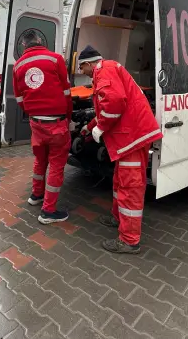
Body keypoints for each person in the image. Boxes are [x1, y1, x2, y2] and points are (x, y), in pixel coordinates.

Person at [77, 45, 163, 254]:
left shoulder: (103, 70)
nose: (81, 72)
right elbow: (106, 109)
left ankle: (129, 241)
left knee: (129, 187)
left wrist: (100, 128)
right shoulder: (108, 69)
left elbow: (114, 104)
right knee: (119, 181)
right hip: (131, 137)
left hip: (132, 137)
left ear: (88, 64)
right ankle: (118, 218)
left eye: (81, 67)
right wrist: (89, 127)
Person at [13, 29, 73, 224]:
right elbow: (67, 93)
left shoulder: (18, 66)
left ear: (24, 45)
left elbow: (19, 99)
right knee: (56, 164)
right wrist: (68, 117)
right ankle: (48, 211)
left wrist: (33, 111)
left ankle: (36, 195)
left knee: (40, 159)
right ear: (40, 40)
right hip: (56, 123)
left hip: (36, 122)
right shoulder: (55, 59)